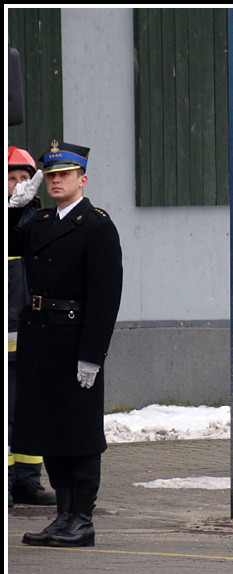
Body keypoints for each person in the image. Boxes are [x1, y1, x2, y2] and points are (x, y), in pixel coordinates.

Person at [9, 141, 123, 548]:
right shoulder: (38, 221)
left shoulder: (95, 225)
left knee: (79, 431)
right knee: (49, 429)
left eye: (64, 175)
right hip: (40, 338)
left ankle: (82, 519)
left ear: (82, 179)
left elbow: (106, 297)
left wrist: (92, 355)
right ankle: (62, 515)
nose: (56, 181)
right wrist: (14, 207)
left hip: (75, 338)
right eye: (51, 175)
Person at [7, 146, 56, 507]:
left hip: (28, 333)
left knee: (31, 407)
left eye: (25, 178)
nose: (19, 185)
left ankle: (26, 480)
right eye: (11, 178)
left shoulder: (37, 221)